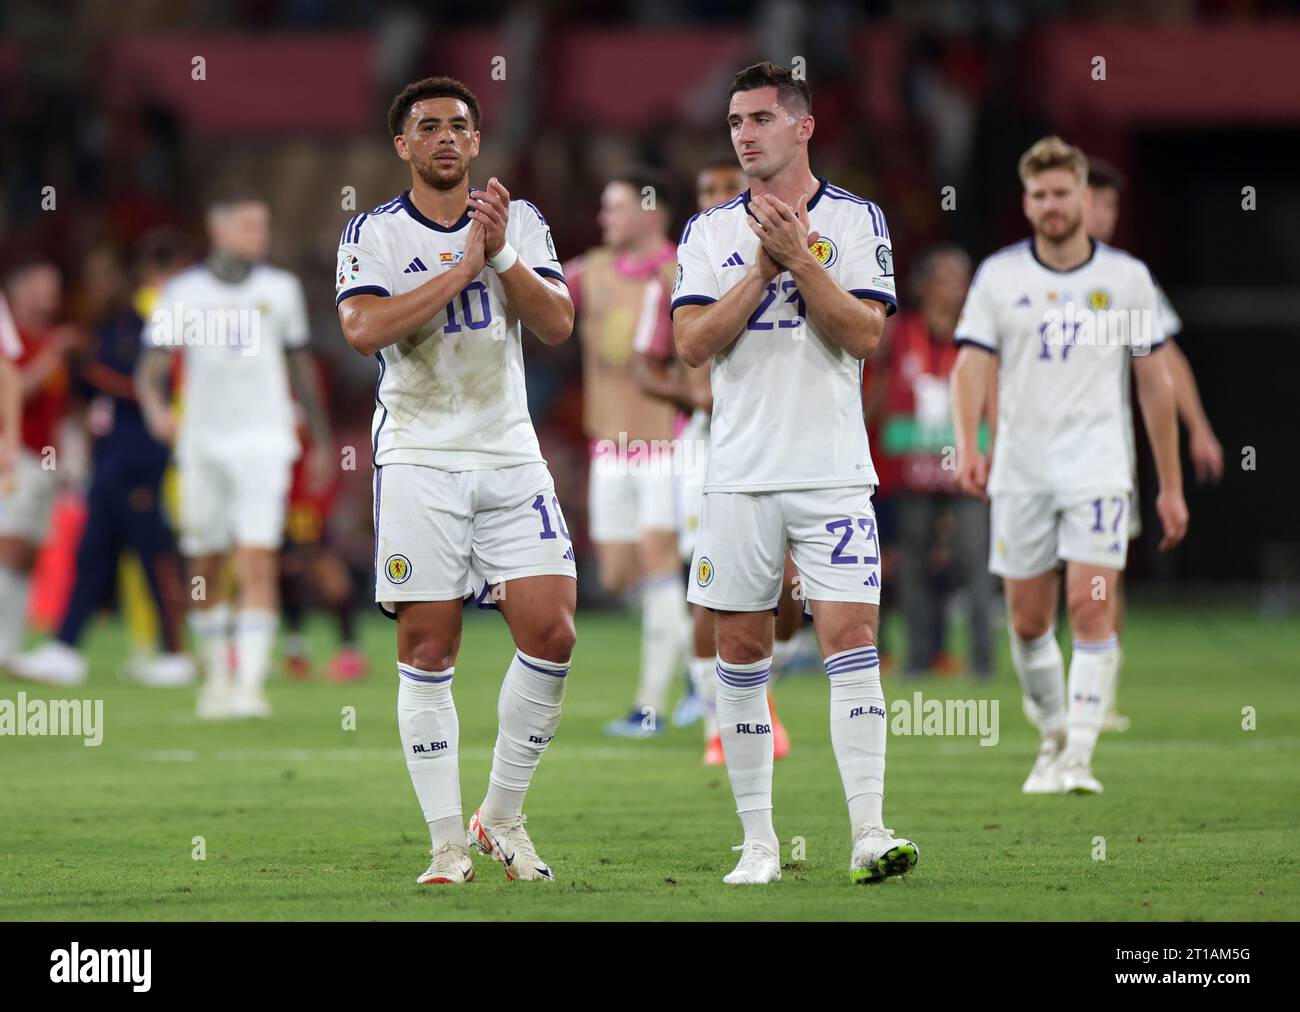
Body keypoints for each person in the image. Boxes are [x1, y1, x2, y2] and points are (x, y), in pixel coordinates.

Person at [673, 62, 918, 885]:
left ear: (803, 126)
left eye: (761, 119)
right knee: (740, 649)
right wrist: (762, 270)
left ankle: (870, 832)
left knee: (852, 639)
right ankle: (759, 845)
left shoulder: (856, 220)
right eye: (736, 121)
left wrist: (803, 262)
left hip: (833, 473)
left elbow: (865, 334)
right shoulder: (707, 233)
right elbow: (692, 346)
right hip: (739, 474)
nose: (744, 134)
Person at [335, 76, 577, 885]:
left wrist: (499, 251)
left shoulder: (522, 222)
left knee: (553, 633)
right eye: (428, 126)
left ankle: (501, 815)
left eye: (459, 127)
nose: (445, 137)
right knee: (429, 646)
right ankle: (445, 844)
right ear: (402, 145)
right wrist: (461, 268)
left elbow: (555, 324)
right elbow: (365, 327)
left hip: (509, 453)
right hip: (419, 457)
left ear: (476, 143)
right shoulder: (373, 232)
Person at [950, 136, 1189, 796]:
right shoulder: (1001, 276)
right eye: (1039, 195)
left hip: (1097, 468)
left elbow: (1154, 383)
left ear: (1085, 198)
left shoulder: (1125, 279)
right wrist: (969, 445)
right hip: (1021, 471)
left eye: (1062, 193)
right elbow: (971, 365)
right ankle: (1053, 735)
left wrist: (1169, 484)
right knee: (1028, 623)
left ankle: (1080, 754)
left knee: (1090, 609)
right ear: (1026, 203)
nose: (1051, 205)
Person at [136, 191, 334, 719]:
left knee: (256, 556)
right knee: (204, 561)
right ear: (218, 229)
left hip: (265, 441)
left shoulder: (281, 289)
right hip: (201, 444)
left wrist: (320, 439)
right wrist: (156, 406)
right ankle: (216, 674)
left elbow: (300, 368)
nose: (259, 236)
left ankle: (248, 683)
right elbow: (152, 364)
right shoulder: (183, 292)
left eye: (263, 226)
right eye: (250, 225)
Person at [635, 155, 793, 764]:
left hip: (782, 442)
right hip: (706, 445)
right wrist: (690, 392)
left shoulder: (798, 247)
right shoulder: (679, 270)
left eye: (731, 186)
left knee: (784, 590)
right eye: (709, 188)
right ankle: (714, 719)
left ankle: (758, 698)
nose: (721, 196)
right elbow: (648, 364)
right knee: (713, 587)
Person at [10, 246, 191, 686]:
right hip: (110, 459)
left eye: (104, 276)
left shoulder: (140, 326)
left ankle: (175, 653)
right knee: (93, 554)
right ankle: (66, 647)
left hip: (140, 456)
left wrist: (85, 368)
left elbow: (149, 384)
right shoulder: (102, 329)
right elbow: (90, 393)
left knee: (154, 554)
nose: (96, 286)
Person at [1085, 158, 1223, 732]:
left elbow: (1164, 360)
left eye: (1114, 204)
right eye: (1098, 200)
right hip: (1031, 451)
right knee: (1040, 581)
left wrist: (1199, 427)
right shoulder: (1019, 275)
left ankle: (1099, 694)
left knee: (1104, 571)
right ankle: (1054, 690)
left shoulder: (1127, 277)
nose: (1106, 213)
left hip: (1105, 451)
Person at [565, 168, 690, 738]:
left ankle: (651, 706)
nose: (604, 218)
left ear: (651, 211)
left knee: (661, 563)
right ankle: (699, 655)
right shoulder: (588, 272)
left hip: (665, 442)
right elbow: (540, 302)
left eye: (614, 207)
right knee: (618, 575)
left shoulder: (682, 271)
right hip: (609, 446)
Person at [865, 243, 993, 678]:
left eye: (960, 279)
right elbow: (876, 393)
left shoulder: (981, 336)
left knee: (973, 561)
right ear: (922, 286)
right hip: (909, 467)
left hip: (966, 468)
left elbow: (994, 399)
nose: (953, 289)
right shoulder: (897, 334)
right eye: (943, 279)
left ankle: (983, 663)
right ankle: (918, 659)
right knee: (912, 565)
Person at [0, 260, 72, 672]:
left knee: (26, 552)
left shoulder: (45, 339)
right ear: (19, 291)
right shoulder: (18, 343)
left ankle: (10, 644)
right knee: (8, 547)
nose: (51, 296)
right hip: (16, 456)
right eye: (42, 287)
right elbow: (15, 391)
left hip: (45, 459)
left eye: (55, 287)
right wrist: (51, 356)